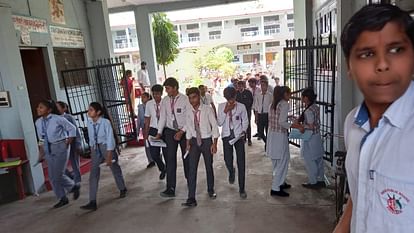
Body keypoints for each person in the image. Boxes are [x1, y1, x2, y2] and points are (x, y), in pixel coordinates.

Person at [334, 4, 414, 233]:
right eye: (367, 54)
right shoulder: (353, 124)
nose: (382, 65)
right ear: (349, 67)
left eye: (396, 50)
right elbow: (363, 191)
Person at [80, 102, 127, 211]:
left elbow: (110, 139)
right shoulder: (89, 122)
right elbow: (91, 138)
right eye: (89, 110)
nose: (88, 112)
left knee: (114, 168)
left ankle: (122, 188)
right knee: (94, 174)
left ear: (98, 112)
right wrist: (92, 152)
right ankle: (92, 201)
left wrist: (109, 155)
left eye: (91, 110)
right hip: (96, 148)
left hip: (106, 147)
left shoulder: (105, 122)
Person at [35, 100, 80, 208]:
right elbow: (41, 138)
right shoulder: (38, 122)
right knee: (52, 176)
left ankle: (73, 186)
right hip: (48, 147)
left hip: (60, 146)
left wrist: (68, 141)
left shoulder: (58, 119)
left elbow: (72, 128)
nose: (38, 109)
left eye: (41, 107)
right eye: (38, 107)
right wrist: (41, 153)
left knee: (58, 174)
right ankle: (62, 197)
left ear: (49, 110)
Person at [182, 87, 219, 207]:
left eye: (194, 97)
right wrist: (187, 143)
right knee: (192, 169)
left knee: (209, 166)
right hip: (193, 141)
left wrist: (214, 143)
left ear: (199, 97)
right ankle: (191, 197)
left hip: (207, 140)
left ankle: (210, 189)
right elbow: (188, 127)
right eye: (190, 98)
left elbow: (214, 126)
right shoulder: (188, 111)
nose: (192, 100)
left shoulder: (207, 109)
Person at [156, 77, 191, 198]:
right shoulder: (165, 100)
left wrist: (182, 131)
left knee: (187, 157)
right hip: (170, 132)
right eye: (166, 88)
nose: (166, 91)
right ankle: (170, 188)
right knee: (170, 159)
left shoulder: (185, 100)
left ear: (175, 88)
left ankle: (190, 180)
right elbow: (163, 117)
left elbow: (189, 118)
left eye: (168, 88)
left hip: (184, 132)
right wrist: (159, 132)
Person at [267, 86, 302, 197]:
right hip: (279, 136)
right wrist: (296, 125)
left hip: (272, 134)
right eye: (289, 94)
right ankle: (275, 188)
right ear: (284, 94)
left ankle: (280, 182)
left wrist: (288, 117)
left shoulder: (273, 104)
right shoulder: (285, 104)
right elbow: (282, 122)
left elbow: (278, 118)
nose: (290, 96)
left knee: (277, 161)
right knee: (283, 160)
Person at [217, 87, 249, 199]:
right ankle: (231, 171)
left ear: (235, 97)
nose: (230, 101)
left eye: (232, 98)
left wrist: (244, 131)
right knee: (227, 159)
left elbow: (245, 120)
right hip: (226, 136)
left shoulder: (241, 107)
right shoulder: (221, 106)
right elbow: (219, 123)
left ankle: (242, 188)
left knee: (241, 162)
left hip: (238, 136)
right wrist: (226, 110)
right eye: (228, 99)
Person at [296, 88, 326, 189]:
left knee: (310, 159)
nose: (301, 98)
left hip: (310, 137)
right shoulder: (315, 107)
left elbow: (311, 126)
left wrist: (301, 127)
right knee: (318, 159)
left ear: (306, 98)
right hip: (317, 136)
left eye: (302, 96)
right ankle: (321, 180)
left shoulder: (308, 110)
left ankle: (313, 181)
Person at [56, 101, 82, 186]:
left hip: (73, 142)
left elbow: (76, 131)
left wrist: (78, 143)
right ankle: (70, 176)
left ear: (64, 108)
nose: (56, 108)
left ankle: (77, 180)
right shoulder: (55, 118)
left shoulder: (69, 117)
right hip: (63, 143)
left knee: (74, 162)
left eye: (58, 107)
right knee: (61, 164)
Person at [144, 85, 167, 180]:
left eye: (157, 94)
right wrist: (146, 133)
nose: (155, 96)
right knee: (154, 154)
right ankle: (163, 168)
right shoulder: (149, 104)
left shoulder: (165, 102)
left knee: (167, 153)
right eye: (153, 94)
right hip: (153, 130)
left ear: (161, 93)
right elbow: (147, 118)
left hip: (165, 130)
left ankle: (169, 171)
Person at [253, 77, 273, 150]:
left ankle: (267, 146)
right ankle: (267, 143)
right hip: (260, 114)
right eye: (261, 85)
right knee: (260, 132)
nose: (262, 87)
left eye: (264, 85)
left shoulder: (270, 95)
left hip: (267, 115)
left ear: (267, 86)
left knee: (268, 131)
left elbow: (272, 107)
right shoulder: (258, 95)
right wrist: (256, 117)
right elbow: (256, 107)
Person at [138, 92, 155, 168]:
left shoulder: (152, 105)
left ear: (148, 97)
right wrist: (138, 131)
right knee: (147, 144)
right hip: (144, 127)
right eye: (141, 98)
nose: (142, 99)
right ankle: (150, 160)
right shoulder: (140, 107)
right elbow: (139, 119)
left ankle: (157, 157)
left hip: (152, 127)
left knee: (154, 142)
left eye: (144, 97)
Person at [236, 80, 254, 146]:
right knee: (240, 124)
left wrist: (248, 108)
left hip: (247, 111)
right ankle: (243, 138)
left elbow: (251, 101)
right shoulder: (236, 93)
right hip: (239, 112)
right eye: (238, 86)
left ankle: (249, 139)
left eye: (241, 86)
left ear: (243, 86)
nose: (240, 87)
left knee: (247, 124)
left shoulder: (248, 92)